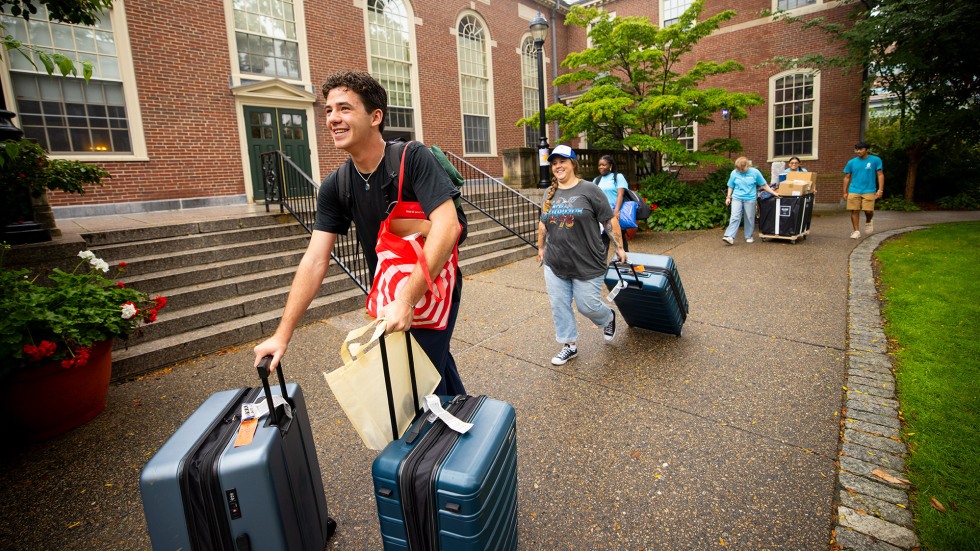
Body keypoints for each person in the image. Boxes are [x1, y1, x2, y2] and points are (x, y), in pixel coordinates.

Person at [253, 71, 466, 396]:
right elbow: (314, 260)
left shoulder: (413, 157)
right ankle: (472, 428)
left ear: (375, 116)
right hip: (388, 294)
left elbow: (448, 226)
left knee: (414, 388)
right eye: (328, 110)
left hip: (432, 288)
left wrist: (406, 300)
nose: (333, 119)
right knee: (432, 374)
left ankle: (440, 439)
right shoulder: (335, 186)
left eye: (344, 108)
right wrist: (282, 334)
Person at [537, 145, 628, 366]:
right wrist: (540, 249)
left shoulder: (589, 189)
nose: (558, 166)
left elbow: (609, 219)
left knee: (587, 305)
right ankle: (569, 345)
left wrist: (619, 246)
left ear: (573, 164)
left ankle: (608, 317)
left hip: (587, 260)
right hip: (556, 261)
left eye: (563, 161)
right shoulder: (550, 193)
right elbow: (543, 224)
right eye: (554, 162)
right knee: (559, 304)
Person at [722, 156, 779, 245]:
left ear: (747, 166)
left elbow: (763, 185)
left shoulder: (755, 172)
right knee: (734, 217)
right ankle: (729, 236)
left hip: (750, 198)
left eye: (742, 169)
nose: (740, 171)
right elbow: (731, 185)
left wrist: (773, 193)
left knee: (749, 217)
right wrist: (728, 197)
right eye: (738, 169)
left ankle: (748, 236)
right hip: (737, 197)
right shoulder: (734, 173)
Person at [842, 141, 884, 239]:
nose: (858, 151)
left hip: (869, 189)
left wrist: (880, 190)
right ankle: (856, 231)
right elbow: (847, 177)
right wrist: (844, 191)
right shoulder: (851, 162)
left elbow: (880, 175)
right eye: (856, 149)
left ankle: (869, 221)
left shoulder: (875, 160)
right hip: (854, 189)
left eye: (860, 149)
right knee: (854, 210)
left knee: (868, 211)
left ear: (867, 150)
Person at [594, 154, 631, 251]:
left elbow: (620, 195)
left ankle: (624, 262)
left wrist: (616, 210)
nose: (601, 167)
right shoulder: (597, 180)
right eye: (599, 165)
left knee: (619, 239)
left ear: (610, 166)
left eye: (603, 165)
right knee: (603, 240)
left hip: (614, 213)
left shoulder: (618, 177)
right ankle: (602, 265)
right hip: (601, 214)